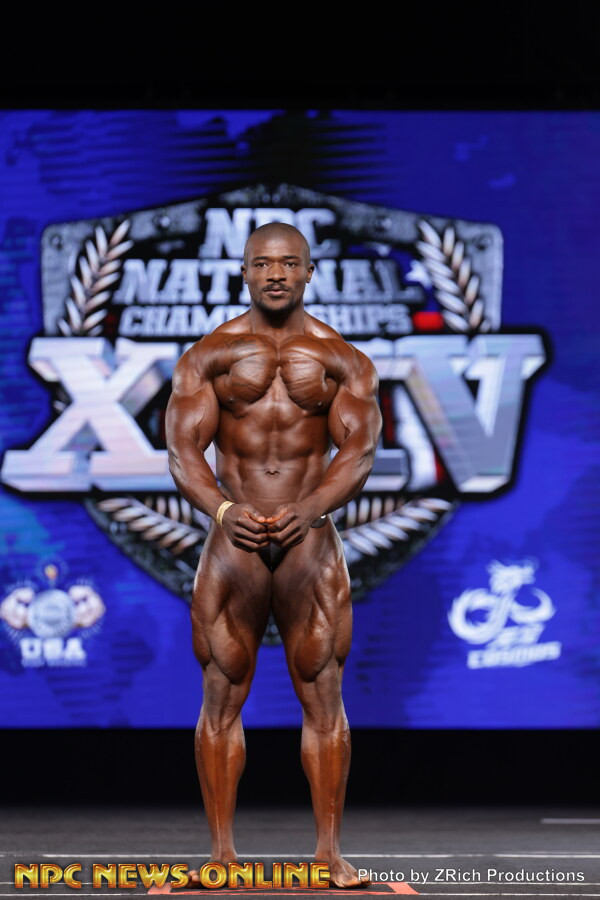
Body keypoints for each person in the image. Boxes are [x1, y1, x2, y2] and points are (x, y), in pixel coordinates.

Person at [165, 222, 382, 888]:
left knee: (324, 696)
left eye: (290, 263)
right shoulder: (209, 356)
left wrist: (309, 509)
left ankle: (329, 854)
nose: (277, 274)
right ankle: (221, 855)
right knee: (220, 694)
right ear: (244, 272)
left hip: (308, 546)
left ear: (310, 272)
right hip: (232, 545)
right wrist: (223, 511)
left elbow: (359, 451)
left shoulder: (344, 360)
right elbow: (182, 450)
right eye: (263, 263)